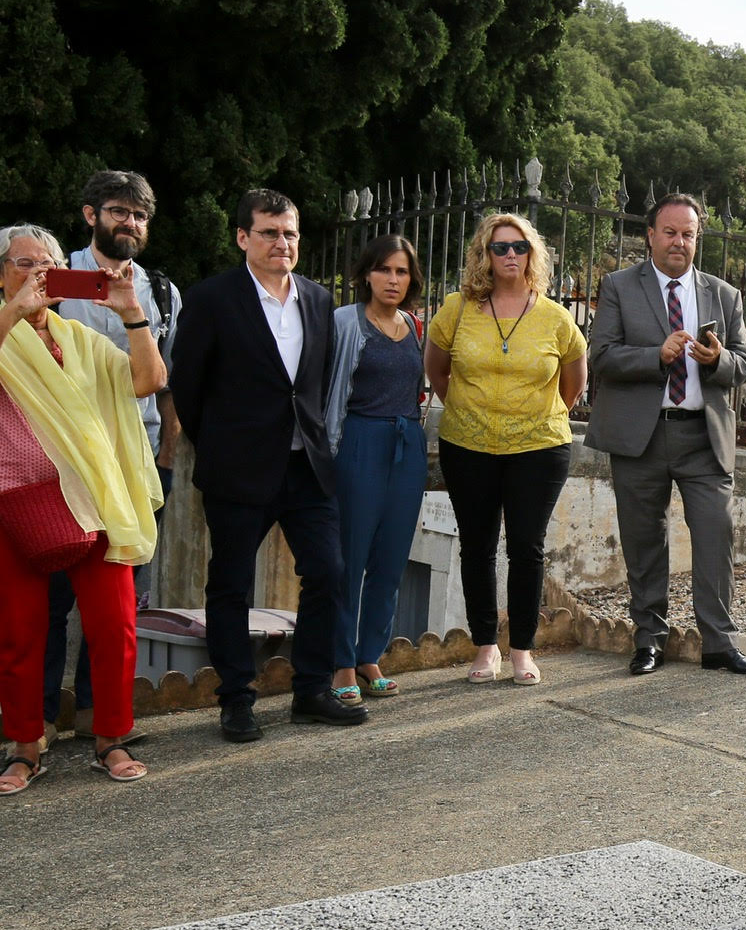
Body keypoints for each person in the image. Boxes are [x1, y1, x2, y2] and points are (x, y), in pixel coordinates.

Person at [0, 225, 166, 793]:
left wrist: (131, 311)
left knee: (113, 622)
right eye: (25, 263)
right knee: (19, 627)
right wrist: (14, 313)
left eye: (48, 262)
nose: (40, 271)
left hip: (93, 499)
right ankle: (24, 746)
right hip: (11, 502)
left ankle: (111, 738)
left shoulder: (85, 339)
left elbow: (150, 380)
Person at [169, 188, 365, 740]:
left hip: (307, 467)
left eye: (290, 234)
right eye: (270, 232)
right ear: (242, 238)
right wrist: (220, 445)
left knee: (328, 572)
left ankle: (311, 690)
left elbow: (318, 382)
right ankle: (236, 699)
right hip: (238, 468)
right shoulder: (211, 299)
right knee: (231, 585)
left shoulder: (318, 300)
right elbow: (188, 386)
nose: (282, 243)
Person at [585, 194, 746, 677]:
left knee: (715, 534)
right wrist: (655, 355)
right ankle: (649, 640)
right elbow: (600, 356)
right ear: (650, 235)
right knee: (644, 542)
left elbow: (745, 364)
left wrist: (718, 361)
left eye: (688, 234)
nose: (679, 242)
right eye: (670, 232)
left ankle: (719, 644)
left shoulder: (724, 295)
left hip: (703, 437)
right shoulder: (620, 286)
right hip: (640, 438)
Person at [44, 169, 182, 741]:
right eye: (119, 212)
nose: (130, 223)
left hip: (137, 464)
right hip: (62, 465)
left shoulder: (165, 293)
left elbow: (168, 383)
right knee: (51, 602)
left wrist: (167, 457)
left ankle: (99, 719)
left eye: (140, 216)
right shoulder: (52, 279)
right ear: (90, 214)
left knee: (119, 603)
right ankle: (40, 718)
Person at [427, 213, 588, 686]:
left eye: (519, 247)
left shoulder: (556, 318)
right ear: (485, 254)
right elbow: (437, 370)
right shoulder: (456, 309)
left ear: (532, 253)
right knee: (476, 546)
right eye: (500, 248)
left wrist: (534, 417)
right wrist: (467, 409)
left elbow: (574, 383)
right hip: (466, 444)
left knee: (526, 547)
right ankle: (485, 649)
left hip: (538, 448)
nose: (510, 255)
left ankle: (522, 650)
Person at [325, 234, 430, 703]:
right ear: (366, 273)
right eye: (384, 269)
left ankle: (370, 656)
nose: (393, 279)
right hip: (359, 441)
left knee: (391, 558)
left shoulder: (413, 325)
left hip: (407, 443)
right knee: (350, 556)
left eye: (402, 271)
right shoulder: (345, 322)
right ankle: (341, 663)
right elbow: (325, 389)